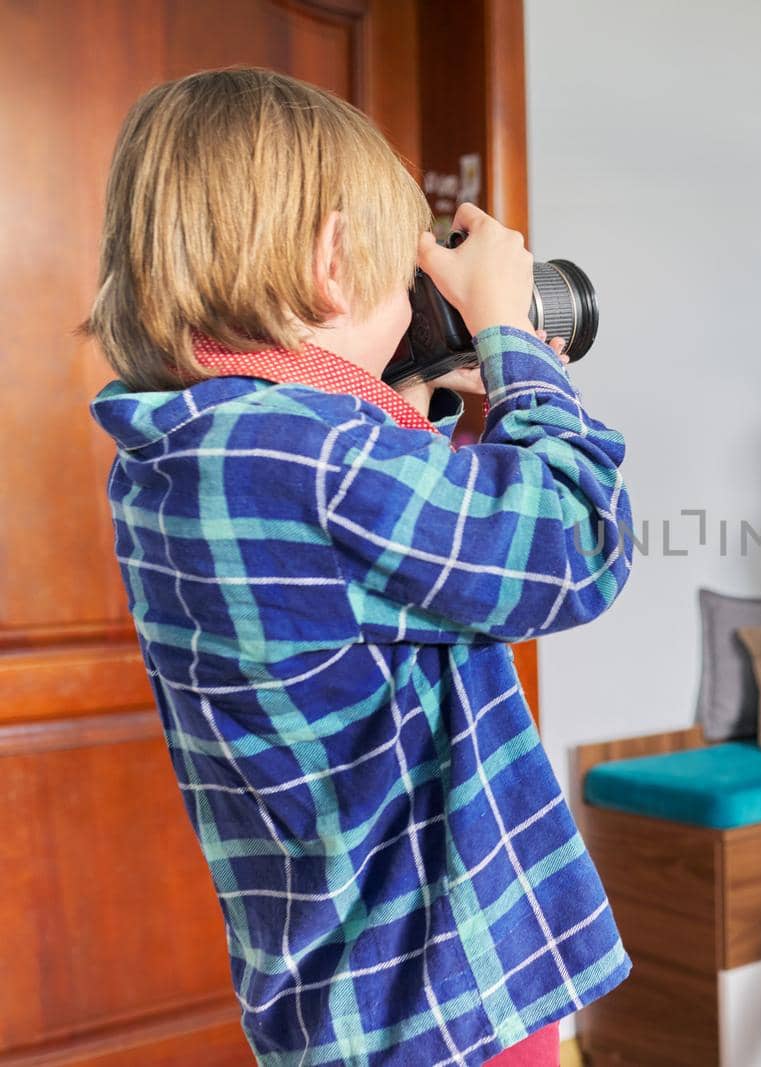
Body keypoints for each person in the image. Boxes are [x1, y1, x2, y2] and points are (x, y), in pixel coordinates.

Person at [84, 68, 633, 1067]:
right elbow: (574, 545)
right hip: (449, 990)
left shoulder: (176, 450)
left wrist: (437, 397)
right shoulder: (317, 456)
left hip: (338, 993)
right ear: (336, 263)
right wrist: (513, 339)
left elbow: (404, 587)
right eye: (401, 274)